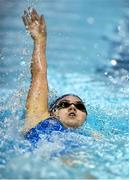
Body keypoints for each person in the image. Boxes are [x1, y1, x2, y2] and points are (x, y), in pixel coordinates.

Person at [22, 8, 88, 141]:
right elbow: (39, 74)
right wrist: (40, 41)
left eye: (79, 106)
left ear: (85, 117)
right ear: (53, 112)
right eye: (64, 104)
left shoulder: (95, 140)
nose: (73, 107)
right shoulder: (39, 118)